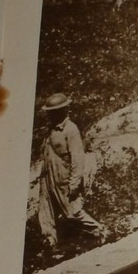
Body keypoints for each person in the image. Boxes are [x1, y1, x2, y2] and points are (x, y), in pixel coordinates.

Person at [37, 93, 105, 256]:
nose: (51, 115)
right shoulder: (51, 130)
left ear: (64, 110)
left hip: (64, 179)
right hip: (48, 178)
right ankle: (51, 246)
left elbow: (77, 159)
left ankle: (99, 231)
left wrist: (74, 184)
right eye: (50, 112)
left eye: (55, 111)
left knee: (73, 212)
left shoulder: (70, 130)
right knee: (45, 213)